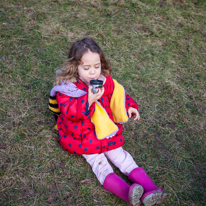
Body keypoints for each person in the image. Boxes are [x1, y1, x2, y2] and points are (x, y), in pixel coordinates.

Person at [49, 37, 167, 206]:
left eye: (96, 66)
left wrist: (129, 106)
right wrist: (88, 100)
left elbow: (117, 96)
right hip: (84, 137)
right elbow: (69, 112)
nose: (93, 72)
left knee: (123, 157)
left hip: (106, 133)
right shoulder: (68, 89)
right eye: (86, 68)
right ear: (75, 67)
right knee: (100, 165)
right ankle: (128, 193)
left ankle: (151, 189)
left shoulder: (104, 80)